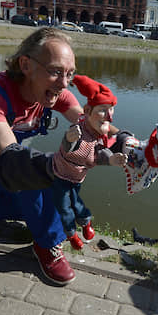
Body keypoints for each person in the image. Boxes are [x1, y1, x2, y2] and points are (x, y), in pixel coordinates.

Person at [0, 28, 117, 286]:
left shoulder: (52, 92)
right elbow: (10, 156)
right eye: (55, 71)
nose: (64, 83)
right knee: (47, 177)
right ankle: (47, 246)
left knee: (35, 185)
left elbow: (91, 125)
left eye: (70, 74)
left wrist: (127, 142)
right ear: (26, 65)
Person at [51, 75, 126, 250]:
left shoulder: (99, 134)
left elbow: (98, 155)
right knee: (64, 207)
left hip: (77, 178)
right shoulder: (78, 129)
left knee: (76, 203)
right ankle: (71, 235)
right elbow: (68, 148)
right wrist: (69, 140)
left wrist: (112, 159)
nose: (109, 117)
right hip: (60, 175)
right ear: (87, 111)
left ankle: (85, 223)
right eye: (103, 110)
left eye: (111, 110)